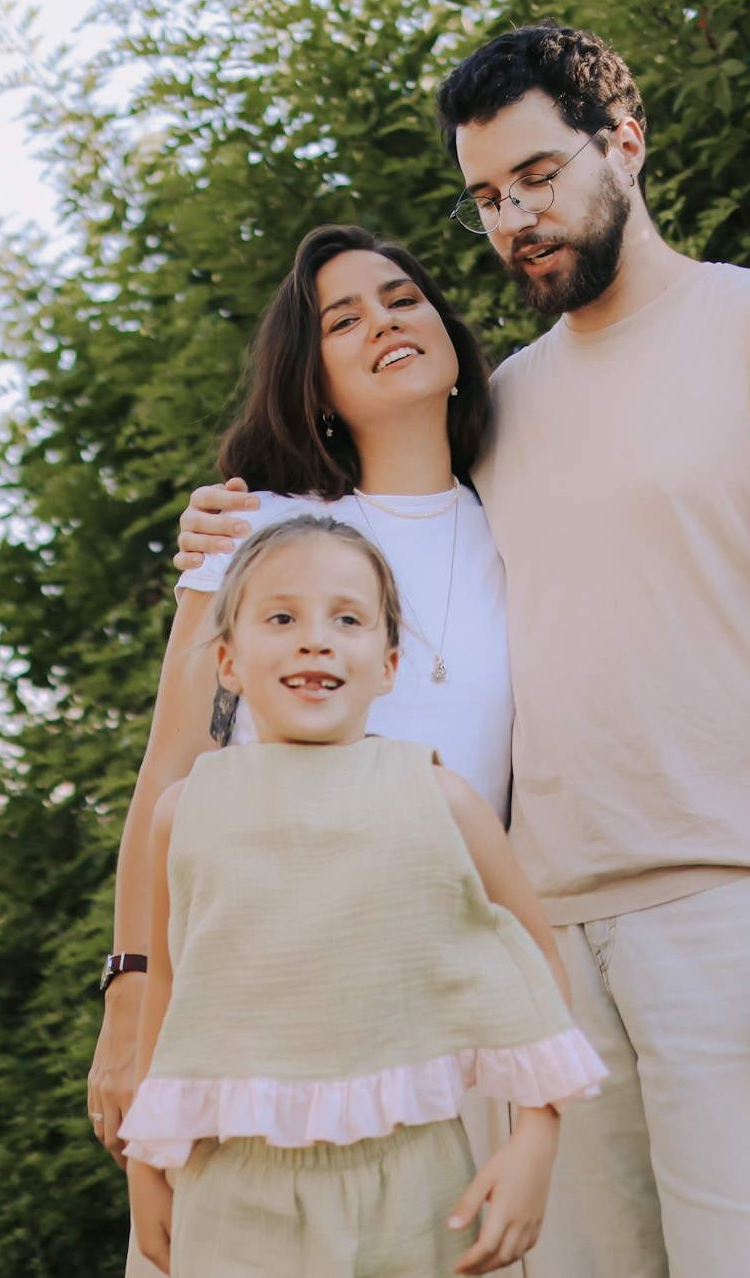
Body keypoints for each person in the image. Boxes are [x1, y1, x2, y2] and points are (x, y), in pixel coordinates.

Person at [176, 24, 750, 1276]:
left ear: (621, 144)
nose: (516, 218)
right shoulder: (501, 406)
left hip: (740, 914)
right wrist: (225, 525)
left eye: (538, 176)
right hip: (537, 944)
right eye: (485, 199)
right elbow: (376, 527)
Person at [120, 514, 608, 1276]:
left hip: (415, 1185)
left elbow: (538, 960)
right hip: (233, 1191)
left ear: (388, 663)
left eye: (346, 618)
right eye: (281, 617)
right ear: (227, 660)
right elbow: (171, 994)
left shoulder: (438, 796)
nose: (315, 638)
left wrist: (536, 1139)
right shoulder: (185, 811)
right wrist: (142, 1165)